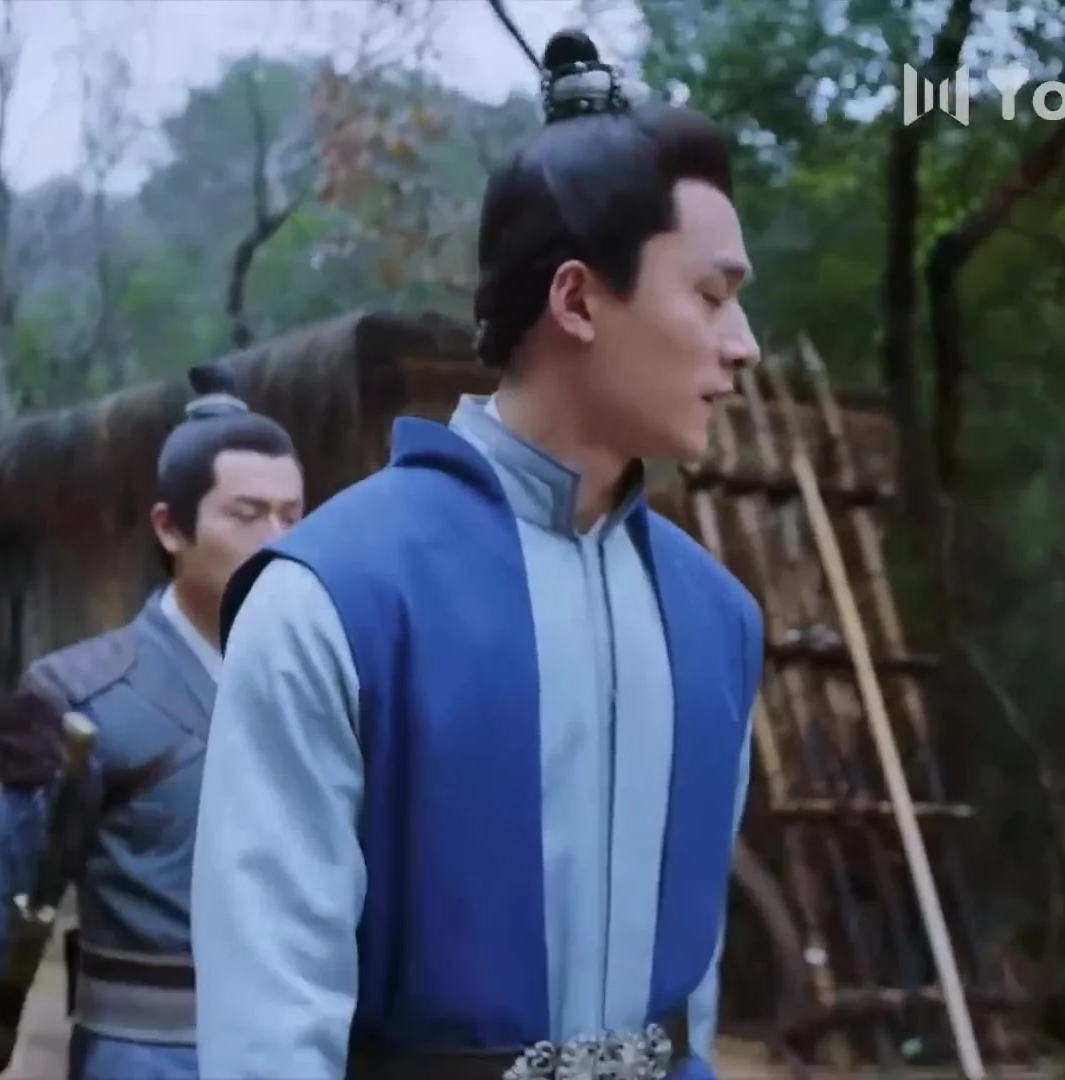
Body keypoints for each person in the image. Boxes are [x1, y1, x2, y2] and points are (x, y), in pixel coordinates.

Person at [192, 27, 764, 1080]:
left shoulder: (718, 622)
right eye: (711, 296)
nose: (744, 345)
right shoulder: (333, 602)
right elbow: (270, 1030)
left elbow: (695, 996)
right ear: (577, 300)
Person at [0, 365, 303, 1080]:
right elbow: (10, 896)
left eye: (291, 516)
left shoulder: (325, 681)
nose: (276, 540)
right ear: (170, 527)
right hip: (147, 1051)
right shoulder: (80, 695)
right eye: (246, 515)